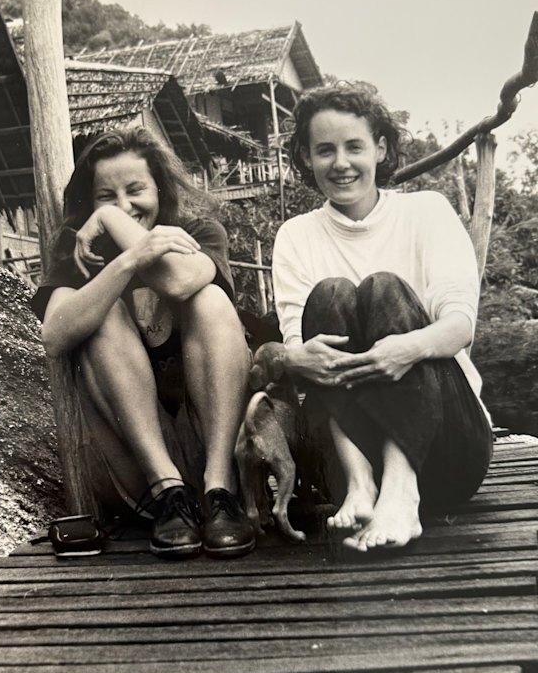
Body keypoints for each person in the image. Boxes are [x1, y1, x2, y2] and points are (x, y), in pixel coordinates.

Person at [272, 85, 493, 553]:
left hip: (449, 449)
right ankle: (362, 485)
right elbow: (303, 353)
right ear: (306, 158)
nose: (341, 163)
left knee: (383, 287)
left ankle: (401, 487)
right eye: (324, 150)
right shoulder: (296, 236)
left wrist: (406, 348)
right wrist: (294, 358)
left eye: (354, 146)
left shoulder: (426, 211)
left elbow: (459, 326)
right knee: (330, 293)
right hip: (350, 455)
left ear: (381, 147)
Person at [31, 127, 254, 560]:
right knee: (97, 314)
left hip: (213, 445)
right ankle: (170, 491)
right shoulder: (79, 249)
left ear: (160, 188)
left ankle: (219, 491)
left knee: (208, 297)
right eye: (105, 198)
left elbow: (178, 279)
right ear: (87, 203)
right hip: (135, 462)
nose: (124, 206)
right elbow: (55, 336)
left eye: (136, 190)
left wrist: (115, 222)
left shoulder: (198, 232)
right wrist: (126, 260)